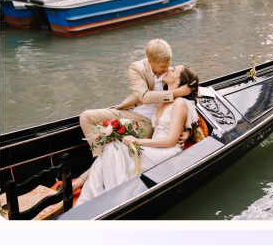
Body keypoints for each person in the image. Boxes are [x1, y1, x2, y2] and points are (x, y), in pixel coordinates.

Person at [72, 39, 193, 192]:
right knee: (86, 117)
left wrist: (188, 130)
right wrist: (176, 92)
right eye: (163, 66)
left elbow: (189, 99)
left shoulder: (170, 71)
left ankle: (91, 174)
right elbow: (144, 97)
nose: (167, 69)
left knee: (115, 149)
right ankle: (101, 163)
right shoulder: (136, 68)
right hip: (131, 113)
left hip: (150, 124)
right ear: (150, 61)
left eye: (169, 65)